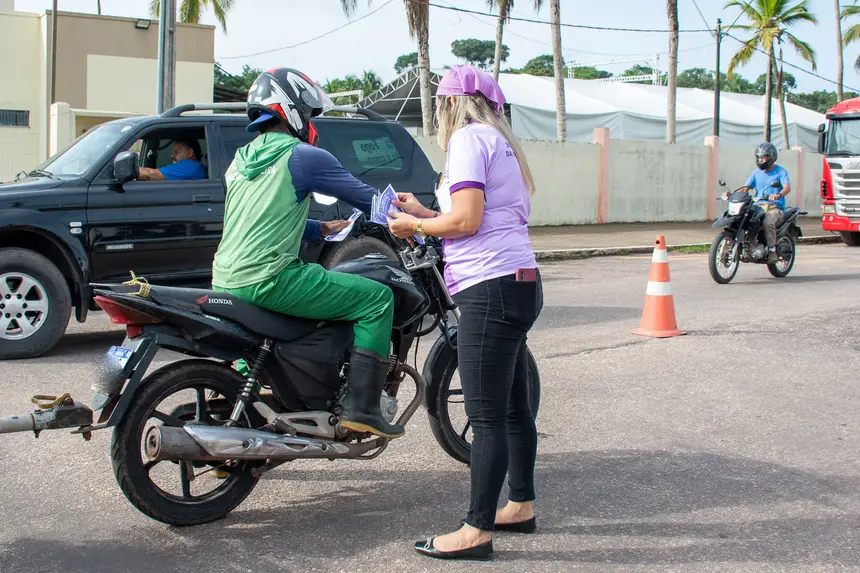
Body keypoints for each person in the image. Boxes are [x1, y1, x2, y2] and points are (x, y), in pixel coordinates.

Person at [388, 65, 543, 561]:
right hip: (518, 280)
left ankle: (476, 530)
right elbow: (473, 217)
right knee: (514, 408)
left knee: (487, 415)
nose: (438, 113)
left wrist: (413, 226)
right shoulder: (500, 142)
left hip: (489, 287)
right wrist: (427, 214)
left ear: (453, 103)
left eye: (439, 103)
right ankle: (520, 504)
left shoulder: (468, 140)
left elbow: (469, 221)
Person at [211, 67, 403, 439]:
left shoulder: (240, 160)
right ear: (292, 109)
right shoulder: (302, 156)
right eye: (310, 114)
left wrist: (320, 228)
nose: (312, 123)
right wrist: (423, 223)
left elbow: (260, 218)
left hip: (225, 279)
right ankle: (362, 409)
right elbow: (370, 200)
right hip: (270, 278)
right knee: (378, 299)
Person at [739, 142, 791, 263]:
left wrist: (778, 194)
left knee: (768, 222)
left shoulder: (781, 171)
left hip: (774, 207)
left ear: (771, 157)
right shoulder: (756, 172)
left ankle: (772, 250)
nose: (761, 160)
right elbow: (745, 188)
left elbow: (787, 188)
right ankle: (748, 246)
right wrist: (733, 194)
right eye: (759, 157)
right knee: (744, 220)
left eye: (764, 157)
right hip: (757, 206)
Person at [137, 139, 207, 181]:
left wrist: (132, 169)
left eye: (176, 152)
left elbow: (150, 173)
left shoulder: (189, 166)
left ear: (189, 153)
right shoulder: (197, 168)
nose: (172, 156)